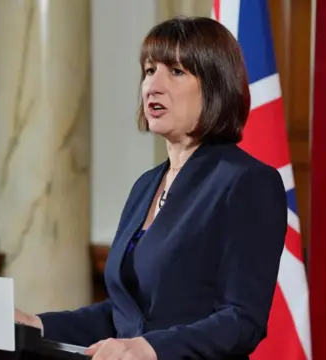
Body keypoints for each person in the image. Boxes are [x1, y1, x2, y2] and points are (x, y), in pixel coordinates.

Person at [15, 16, 287, 360]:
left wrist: (150, 349)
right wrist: (37, 325)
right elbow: (124, 315)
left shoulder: (246, 182)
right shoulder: (146, 185)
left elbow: (241, 319)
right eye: (148, 71)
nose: (152, 86)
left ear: (215, 84)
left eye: (175, 71)